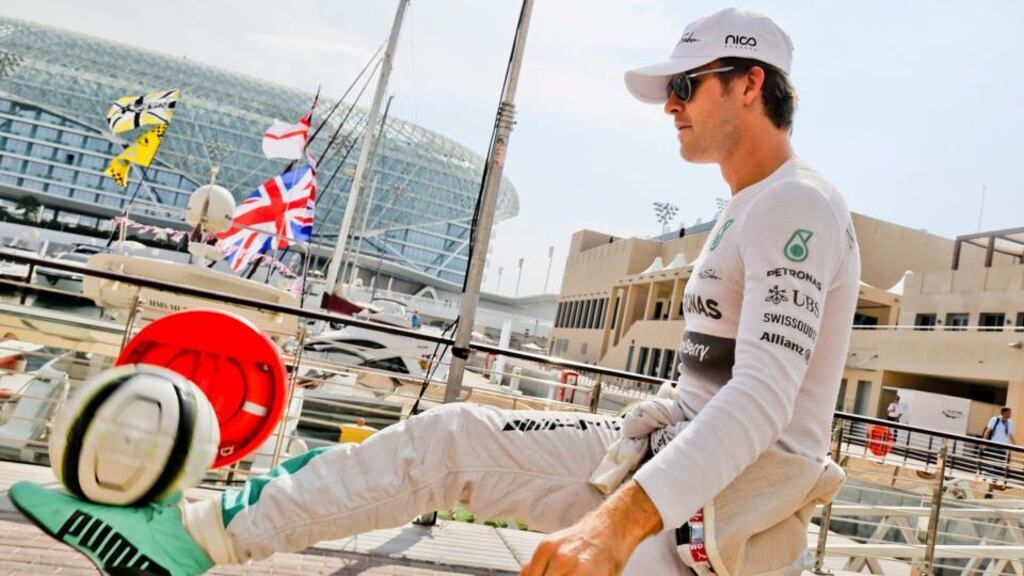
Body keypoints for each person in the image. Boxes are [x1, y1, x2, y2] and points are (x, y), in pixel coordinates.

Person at [10, 8, 860, 576]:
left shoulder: (799, 204)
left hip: (727, 507)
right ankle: (193, 537)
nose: (668, 107)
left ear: (749, 84)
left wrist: (618, 522)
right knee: (448, 438)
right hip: (674, 459)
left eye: (685, 87)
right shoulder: (750, 205)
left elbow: (761, 399)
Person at [982, 407, 1017, 483]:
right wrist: (984, 442)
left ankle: (987, 474)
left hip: (1004, 446)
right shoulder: (995, 420)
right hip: (995, 444)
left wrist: (1015, 446)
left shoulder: (1010, 423)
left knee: (1001, 463)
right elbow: (987, 431)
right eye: (1009, 412)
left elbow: (1010, 435)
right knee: (997, 462)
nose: (1010, 414)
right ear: (1004, 413)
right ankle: (993, 477)